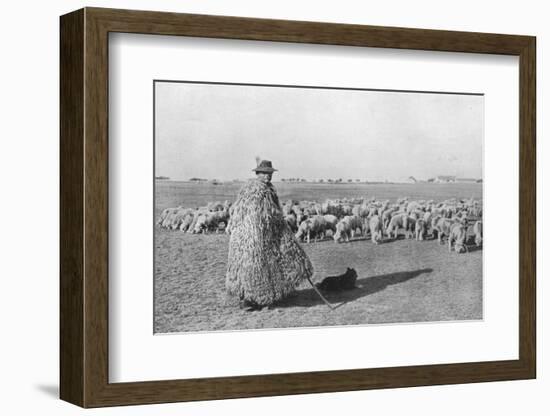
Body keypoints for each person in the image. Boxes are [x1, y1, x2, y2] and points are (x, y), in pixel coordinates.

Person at [225, 160, 313, 311]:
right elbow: (253, 213)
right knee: (251, 265)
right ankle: (247, 299)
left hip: (263, 233)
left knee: (269, 263)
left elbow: (272, 213)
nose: (268, 176)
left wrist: (277, 223)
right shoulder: (254, 191)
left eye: (270, 173)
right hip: (249, 235)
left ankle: (267, 295)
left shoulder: (268, 190)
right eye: (265, 173)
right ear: (258, 174)